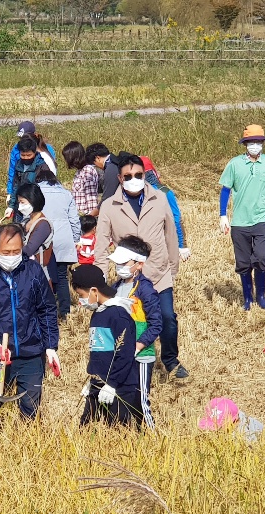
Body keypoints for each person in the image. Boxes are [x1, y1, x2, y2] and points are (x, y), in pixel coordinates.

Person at [97, 153, 187, 379]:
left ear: (144, 174)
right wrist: (99, 280)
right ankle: (127, 359)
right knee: (130, 320)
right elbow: (100, 244)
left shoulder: (160, 198)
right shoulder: (109, 206)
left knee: (167, 317)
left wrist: (172, 267)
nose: (133, 179)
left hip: (159, 271)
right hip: (129, 277)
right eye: (128, 176)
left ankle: (170, 359)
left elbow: (170, 235)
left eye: (138, 175)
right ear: (119, 178)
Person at [0, 223, 61, 420]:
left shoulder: (34, 272)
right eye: (7, 252)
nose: (12, 256)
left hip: (32, 353)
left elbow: (47, 310)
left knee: (30, 409)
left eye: (16, 251)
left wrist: (51, 346)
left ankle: (28, 444)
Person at [219, 125, 265, 310]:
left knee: (260, 257)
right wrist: (223, 215)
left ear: (263, 143)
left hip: (262, 219)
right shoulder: (234, 164)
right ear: (245, 144)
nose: (255, 145)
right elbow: (225, 189)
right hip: (240, 222)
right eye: (251, 142)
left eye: (258, 142)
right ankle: (247, 298)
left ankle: (260, 295)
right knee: (243, 263)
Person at [72, 264, 142, 428]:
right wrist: (92, 380)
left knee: (118, 431)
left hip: (119, 388)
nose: (81, 302)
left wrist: (112, 384)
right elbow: (98, 353)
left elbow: (124, 354)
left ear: (94, 291)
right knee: (87, 428)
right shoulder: (98, 313)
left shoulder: (118, 314)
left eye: (81, 295)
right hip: (99, 384)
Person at [109, 235, 161, 429]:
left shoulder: (145, 289)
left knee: (140, 399)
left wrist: (138, 345)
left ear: (139, 264)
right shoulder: (115, 288)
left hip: (141, 356)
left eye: (124, 263)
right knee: (120, 396)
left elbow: (156, 324)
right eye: (117, 263)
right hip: (119, 354)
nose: (119, 267)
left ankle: (151, 436)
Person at [38, 168, 81, 319]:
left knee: (43, 275)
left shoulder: (36, 191)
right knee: (62, 277)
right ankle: (65, 312)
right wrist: (75, 239)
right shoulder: (65, 194)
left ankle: (46, 311)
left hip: (42, 238)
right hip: (63, 238)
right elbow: (74, 220)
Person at [5, 128, 58, 221]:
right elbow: (15, 186)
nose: (25, 158)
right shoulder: (19, 165)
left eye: (29, 155)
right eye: (23, 155)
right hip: (20, 207)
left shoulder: (42, 167)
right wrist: (11, 206)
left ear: (35, 152)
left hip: (35, 208)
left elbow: (45, 191)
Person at [63, 140, 106, 217]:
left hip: (85, 215)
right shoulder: (80, 171)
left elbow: (91, 197)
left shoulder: (87, 171)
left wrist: (90, 218)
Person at [17, 183, 53, 271]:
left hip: (37, 271)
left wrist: (8, 248)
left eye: (22, 202)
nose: (20, 207)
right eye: (19, 203)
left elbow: (29, 250)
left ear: (33, 200)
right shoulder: (26, 221)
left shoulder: (43, 224)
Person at [198, 397, 265, 442]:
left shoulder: (246, 436)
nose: (215, 430)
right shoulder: (233, 419)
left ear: (233, 422)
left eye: (220, 427)